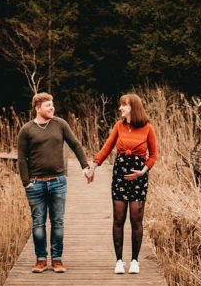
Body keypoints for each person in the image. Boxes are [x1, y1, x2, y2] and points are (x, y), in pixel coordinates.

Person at [17, 91, 93, 273]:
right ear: (37, 108)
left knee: (57, 222)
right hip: (36, 184)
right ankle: (41, 260)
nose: (52, 107)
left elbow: (75, 144)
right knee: (38, 223)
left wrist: (85, 166)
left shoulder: (60, 124)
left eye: (52, 104)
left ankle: (57, 260)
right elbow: (21, 159)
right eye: (47, 105)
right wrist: (26, 183)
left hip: (58, 182)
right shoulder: (26, 130)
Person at [91, 92, 158, 274]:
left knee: (136, 220)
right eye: (121, 105)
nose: (120, 108)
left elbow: (153, 155)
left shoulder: (147, 128)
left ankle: (135, 261)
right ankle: (119, 261)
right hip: (120, 175)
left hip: (139, 176)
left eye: (124, 105)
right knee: (118, 219)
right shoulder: (119, 126)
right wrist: (95, 165)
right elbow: (107, 147)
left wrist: (143, 171)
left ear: (133, 108)